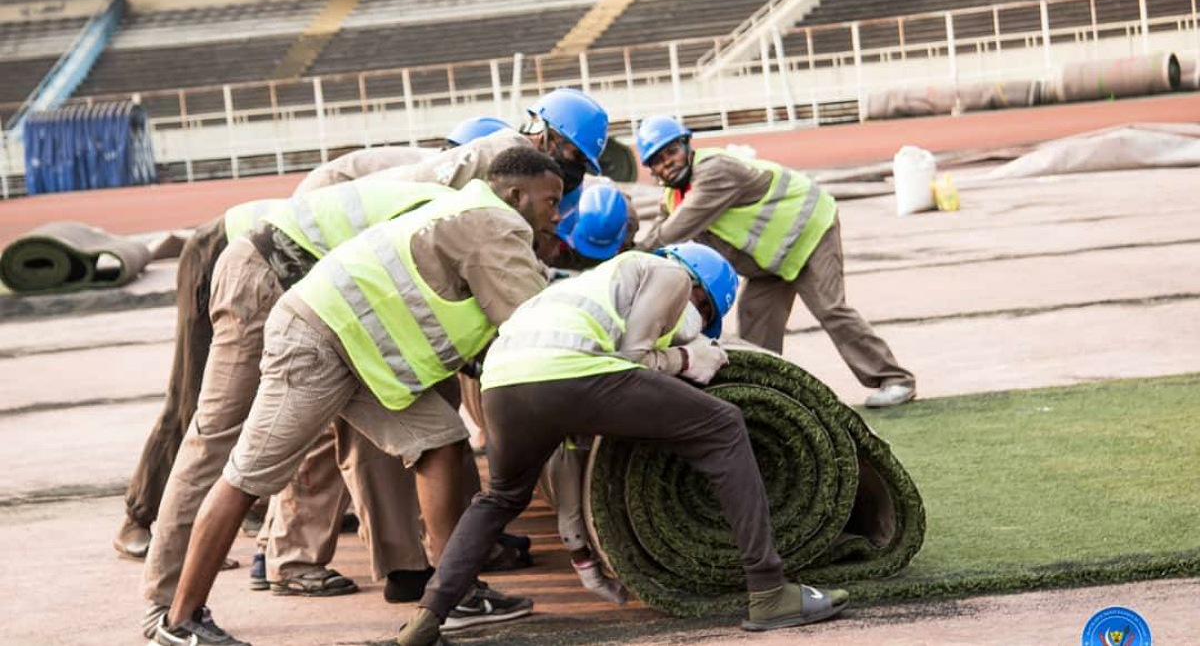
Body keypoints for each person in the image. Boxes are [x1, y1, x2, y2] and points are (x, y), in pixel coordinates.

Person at [147, 148, 563, 646]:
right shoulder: (490, 220)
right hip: (310, 325)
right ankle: (178, 619)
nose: (557, 215)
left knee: (443, 441)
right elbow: (531, 320)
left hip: (363, 342)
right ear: (516, 195)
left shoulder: (454, 206)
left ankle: (456, 595)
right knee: (244, 468)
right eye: (552, 202)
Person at [397, 242, 850, 646]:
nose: (694, 325)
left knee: (499, 497)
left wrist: (581, 555)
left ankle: (430, 614)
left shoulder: (584, 291)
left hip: (504, 383)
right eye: (704, 316)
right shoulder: (671, 275)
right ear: (700, 292)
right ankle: (771, 592)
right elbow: (637, 359)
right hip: (570, 371)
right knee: (725, 424)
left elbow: (571, 451)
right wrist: (691, 356)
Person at [633, 116, 917, 408]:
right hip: (771, 259)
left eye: (671, 151)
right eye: (657, 159)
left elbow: (673, 231)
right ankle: (765, 394)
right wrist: (629, 251)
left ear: (686, 145)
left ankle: (894, 379)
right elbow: (659, 230)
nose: (667, 162)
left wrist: (632, 257)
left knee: (830, 308)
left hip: (809, 234)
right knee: (755, 319)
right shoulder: (672, 196)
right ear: (651, 168)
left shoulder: (715, 171)